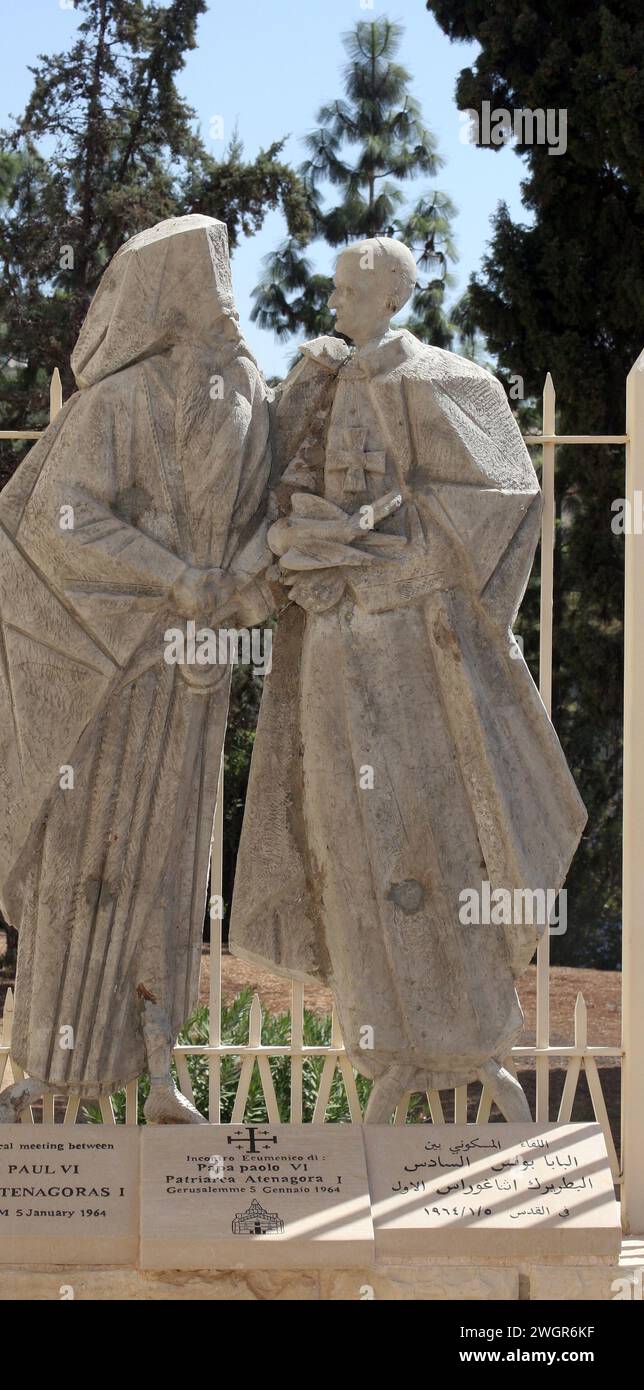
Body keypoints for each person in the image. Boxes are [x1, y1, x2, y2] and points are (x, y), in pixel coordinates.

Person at [230, 237, 586, 1122]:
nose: (338, 298)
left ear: (393, 294)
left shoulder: (446, 382)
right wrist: (300, 546)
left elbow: (503, 505)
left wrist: (389, 557)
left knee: (435, 833)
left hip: (417, 659)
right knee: (348, 835)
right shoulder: (317, 386)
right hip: (332, 655)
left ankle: (467, 1038)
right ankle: (387, 1039)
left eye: (355, 286)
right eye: (338, 284)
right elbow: (267, 499)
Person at [0, 215, 273, 1122]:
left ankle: (159, 1071)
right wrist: (175, 576)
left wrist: (232, 599)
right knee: (87, 864)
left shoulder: (250, 394)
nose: (224, 297)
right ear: (170, 293)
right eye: (205, 277)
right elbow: (62, 520)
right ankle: (53, 1077)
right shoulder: (119, 401)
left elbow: (263, 515)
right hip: (107, 676)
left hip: (193, 671)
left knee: (173, 871)